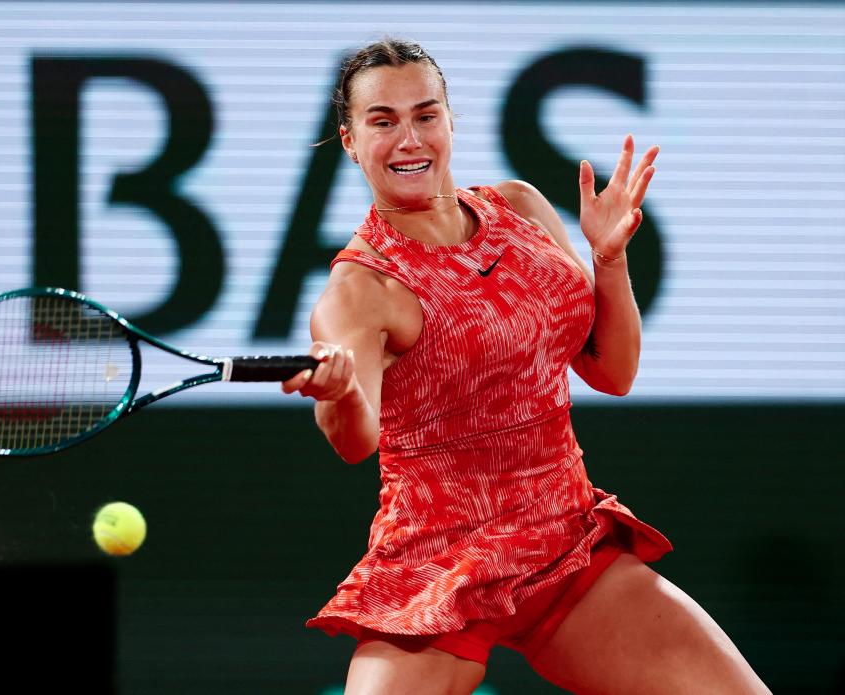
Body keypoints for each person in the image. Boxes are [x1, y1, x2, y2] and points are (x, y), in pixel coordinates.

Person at [282, 39, 770, 695]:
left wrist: (609, 259)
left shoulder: (522, 208)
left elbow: (611, 371)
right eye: (383, 120)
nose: (409, 138)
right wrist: (338, 393)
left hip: (563, 544)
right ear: (349, 139)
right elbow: (354, 439)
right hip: (441, 568)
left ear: (451, 121)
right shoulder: (359, 291)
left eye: (426, 115)